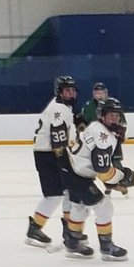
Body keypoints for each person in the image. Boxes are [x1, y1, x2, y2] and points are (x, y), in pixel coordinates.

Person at [63, 96, 134, 260]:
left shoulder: (95, 126)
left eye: (117, 115)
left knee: (79, 207)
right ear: (102, 116)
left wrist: (118, 175)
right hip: (78, 175)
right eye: (111, 115)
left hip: (69, 168)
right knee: (105, 208)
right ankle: (106, 247)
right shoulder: (104, 136)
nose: (115, 118)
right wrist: (121, 176)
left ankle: (73, 242)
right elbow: (102, 170)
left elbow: (100, 165)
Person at [24, 74, 77, 249]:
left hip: (48, 153)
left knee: (67, 191)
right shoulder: (59, 109)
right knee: (55, 195)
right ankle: (40, 228)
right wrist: (66, 160)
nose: (71, 93)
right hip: (48, 155)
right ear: (59, 92)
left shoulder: (62, 107)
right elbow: (58, 140)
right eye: (67, 90)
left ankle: (67, 229)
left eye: (72, 90)